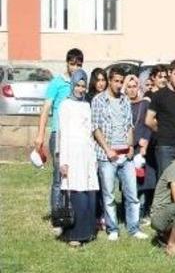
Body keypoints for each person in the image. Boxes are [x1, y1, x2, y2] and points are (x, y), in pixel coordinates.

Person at [92, 67, 147, 241]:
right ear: (109, 80)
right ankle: (113, 228)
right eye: (116, 81)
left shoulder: (124, 100)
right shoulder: (98, 100)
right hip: (107, 155)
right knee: (109, 195)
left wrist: (131, 146)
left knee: (132, 194)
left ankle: (133, 227)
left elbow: (129, 125)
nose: (118, 85)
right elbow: (96, 128)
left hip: (126, 155)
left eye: (120, 81)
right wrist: (107, 149)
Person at [35, 47, 83, 224]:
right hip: (59, 135)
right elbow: (46, 109)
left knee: (73, 175)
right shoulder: (57, 83)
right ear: (67, 63)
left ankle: (70, 211)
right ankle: (57, 215)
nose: (75, 68)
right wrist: (40, 135)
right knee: (58, 177)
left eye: (79, 64)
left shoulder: (80, 85)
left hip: (75, 137)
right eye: (72, 64)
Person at [57, 69, 99, 246]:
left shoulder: (86, 105)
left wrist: (94, 156)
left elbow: (89, 132)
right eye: (78, 85)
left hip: (87, 153)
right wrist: (63, 161)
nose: (81, 89)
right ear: (73, 85)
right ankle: (73, 234)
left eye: (83, 86)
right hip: (71, 153)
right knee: (75, 190)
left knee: (87, 190)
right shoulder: (65, 105)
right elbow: (63, 134)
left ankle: (86, 232)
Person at [145, 59, 175, 178]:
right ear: (169, 73)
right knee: (165, 180)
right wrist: (161, 130)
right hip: (164, 145)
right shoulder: (158, 95)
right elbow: (149, 120)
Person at [126, 74, 156, 222]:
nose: (132, 90)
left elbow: (149, 124)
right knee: (128, 181)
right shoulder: (122, 103)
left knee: (143, 181)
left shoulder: (144, 103)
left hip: (141, 147)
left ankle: (143, 211)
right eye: (129, 87)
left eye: (134, 86)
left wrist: (145, 141)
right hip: (126, 147)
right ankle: (129, 212)